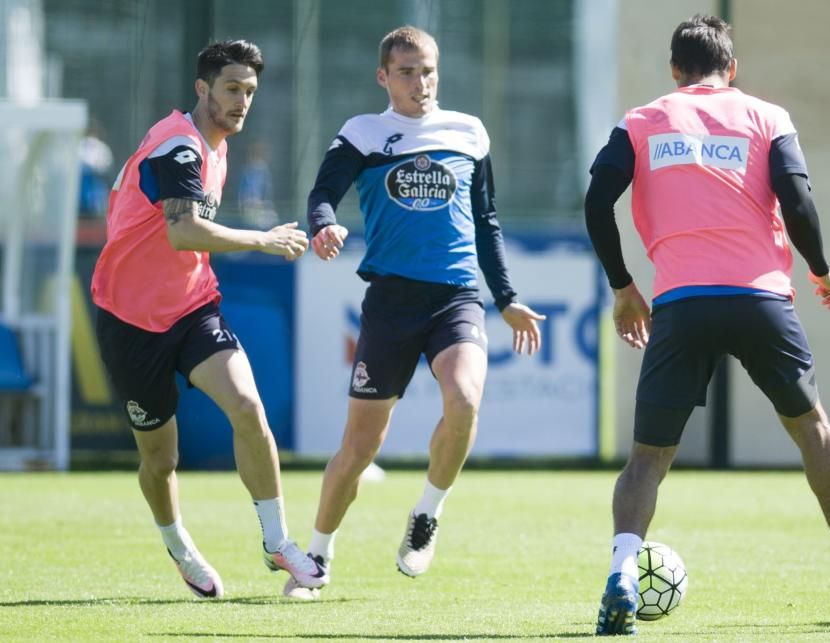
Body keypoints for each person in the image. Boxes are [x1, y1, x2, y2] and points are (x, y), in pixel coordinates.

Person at [584, 15, 830, 635]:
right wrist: (822, 269)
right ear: (733, 69)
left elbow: (596, 201)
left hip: (681, 302)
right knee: (812, 431)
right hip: (760, 300)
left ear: (674, 69)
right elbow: (798, 202)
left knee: (647, 459)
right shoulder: (767, 117)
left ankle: (620, 573)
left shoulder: (641, 121)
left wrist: (623, 286)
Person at [291, 25, 545, 597]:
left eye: (427, 69)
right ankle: (317, 556)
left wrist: (506, 299)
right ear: (383, 76)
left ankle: (428, 512)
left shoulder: (469, 132)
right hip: (390, 303)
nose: (419, 82)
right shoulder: (364, 133)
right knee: (359, 449)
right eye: (406, 71)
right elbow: (322, 194)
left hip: (456, 298)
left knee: (466, 400)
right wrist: (325, 224)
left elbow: (487, 222)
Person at [90, 40, 326, 599]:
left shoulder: (214, 145)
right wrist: (262, 239)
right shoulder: (179, 145)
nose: (242, 100)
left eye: (249, 91)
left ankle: (277, 543)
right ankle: (179, 546)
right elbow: (183, 231)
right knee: (160, 459)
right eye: (231, 88)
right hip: (129, 321)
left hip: (193, 306)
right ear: (203, 89)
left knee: (248, 407)